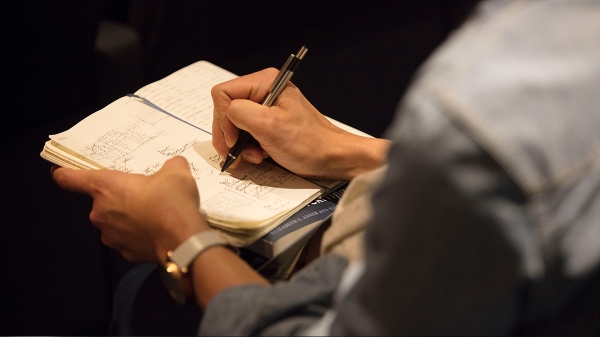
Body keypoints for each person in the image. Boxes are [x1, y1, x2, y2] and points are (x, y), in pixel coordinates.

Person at [52, 0, 600, 335]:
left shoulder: (476, 110)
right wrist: (341, 149)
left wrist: (180, 237)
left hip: (346, 282)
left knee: (142, 296)